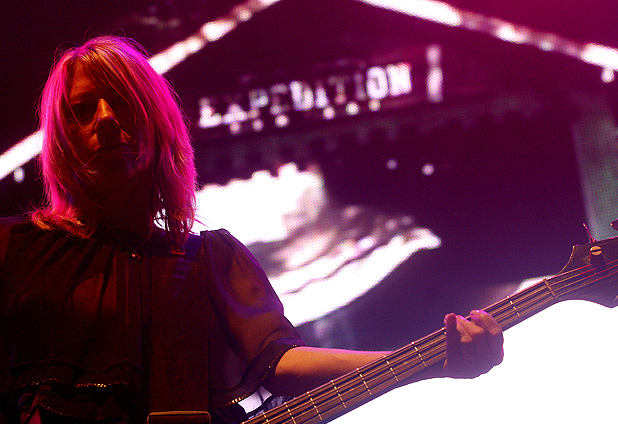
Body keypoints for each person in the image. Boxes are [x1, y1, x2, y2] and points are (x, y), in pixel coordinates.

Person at [0, 36, 503, 424]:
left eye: (122, 102)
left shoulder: (209, 261)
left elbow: (280, 364)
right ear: (62, 138)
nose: (107, 119)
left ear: (156, 123)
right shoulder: (14, 250)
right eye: (82, 109)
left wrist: (430, 361)